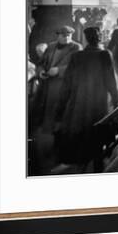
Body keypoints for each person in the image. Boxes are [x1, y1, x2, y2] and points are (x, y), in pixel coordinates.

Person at [52, 27, 118, 174]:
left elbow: (66, 86)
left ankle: (82, 167)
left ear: (86, 39)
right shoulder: (105, 55)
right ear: (99, 38)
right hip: (99, 103)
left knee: (83, 135)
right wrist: (116, 102)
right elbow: (112, 82)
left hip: (79, 104)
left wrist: (60, 110)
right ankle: (97, 166)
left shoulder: (77, 56)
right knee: (98, 134)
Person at [30, 25, 82, 175]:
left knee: (60, 116)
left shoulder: (76, 48)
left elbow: (76, 66)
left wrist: (58, 70)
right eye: (62, 35)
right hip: (47, 87)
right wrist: (41, 73)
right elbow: (41, 64)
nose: (66, 38)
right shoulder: (51, 46)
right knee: (46, 115)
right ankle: (48, 142)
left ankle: (59, 147)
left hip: (64, 87)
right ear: (57, 35)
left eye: (68, 35)